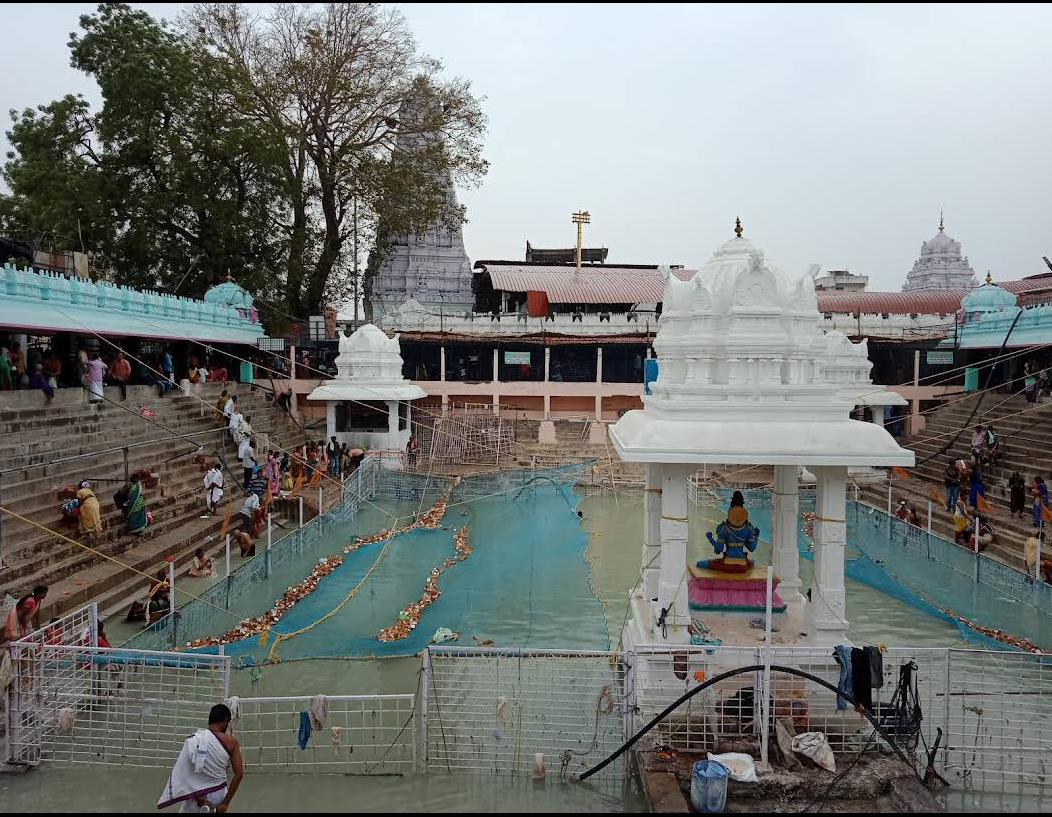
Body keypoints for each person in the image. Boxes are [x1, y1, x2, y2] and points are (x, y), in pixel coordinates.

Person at [157, 703, 244, 813]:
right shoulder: (231, 743)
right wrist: (225, 803)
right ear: (226, 720)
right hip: (219, 794)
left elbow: (185, 773)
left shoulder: (194, 740)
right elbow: (239, 774)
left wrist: (200, 800)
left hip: (196, 795)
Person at [699, 490, 760, 573]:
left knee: (700, 564)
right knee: (752, 562)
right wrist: (756, 536)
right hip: (743, 564)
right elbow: (752, 548)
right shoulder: (748, 528)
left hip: (727, 562)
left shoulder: (723, 528)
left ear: (730, 510)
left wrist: (710, 538)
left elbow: (719, 549)